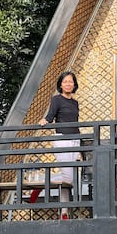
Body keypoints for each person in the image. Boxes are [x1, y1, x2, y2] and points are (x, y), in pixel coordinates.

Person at [39, 71, 80, 218]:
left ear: (74, 84)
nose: (68, 84)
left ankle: (64, 213)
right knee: (67, 176)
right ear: (61, 85)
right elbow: (50, 116)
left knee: (70, 179)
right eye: (65, 81)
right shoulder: (57, 99)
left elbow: (76, 124)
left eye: (71, 81)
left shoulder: (75, 103)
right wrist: (45, 120)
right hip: (62, 139)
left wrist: (80, 150)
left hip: (75, 141)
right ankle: (40, 184)